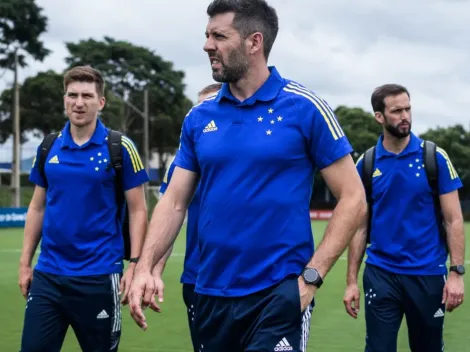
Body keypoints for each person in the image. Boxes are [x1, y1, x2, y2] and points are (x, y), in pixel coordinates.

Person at [128, 1, 366, 351]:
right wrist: (145, 267)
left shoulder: (304, 106)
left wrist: (311, 278)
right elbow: (175, 201)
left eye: (219, 36)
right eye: (207, 35)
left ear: (254, 42)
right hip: (209, 292)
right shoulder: (199, 117)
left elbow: (354, 198)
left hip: (278, 294)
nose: (207, 45)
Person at [18, 65, 149, 352]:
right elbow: (37, 208)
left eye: (87, 96)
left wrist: (136, 265)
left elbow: (138, 209)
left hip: (99, 276)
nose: (79, 102)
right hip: (49, 276)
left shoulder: (120, 147)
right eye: (72, 95)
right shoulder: (48, 147)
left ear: (100, 102)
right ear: (64, 99)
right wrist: (25, 263)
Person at [343, 84, 465, 352]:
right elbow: (359, 227)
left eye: (408, 108)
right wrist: (351, 281)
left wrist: (456, 273)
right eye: (396, 110)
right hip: (381, 274)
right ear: (379, 117)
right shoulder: (366, 163)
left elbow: (453, 220)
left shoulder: (435, 158)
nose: (405, 115)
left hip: (428, 275)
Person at [152, 82, 222, 352]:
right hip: (197, 280)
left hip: (252, 282)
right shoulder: (182, 166)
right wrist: (154, 270)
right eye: (199, 107)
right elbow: (170, 217)